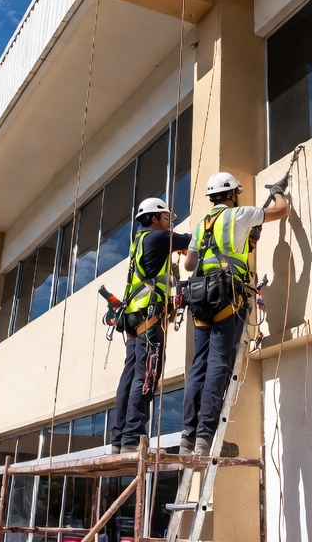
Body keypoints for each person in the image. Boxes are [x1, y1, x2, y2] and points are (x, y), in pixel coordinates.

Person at [181, 172, 289, 455]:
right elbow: (281, 210)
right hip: (227, 296)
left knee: (199, 366)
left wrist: (244, 241)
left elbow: (190, 265)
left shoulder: (201, 225)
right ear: (231, 195)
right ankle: (206, 438)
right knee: (219, 363)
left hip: (201, 298)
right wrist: (277, 191)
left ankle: (188, 437)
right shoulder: (240, 214)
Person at [108, 197, 192, 454]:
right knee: (146, 375)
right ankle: (133, 438)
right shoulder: (157, 238)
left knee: (130, 376)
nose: (168, 225)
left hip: (135, 318)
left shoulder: (139, 243)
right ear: (154, 218)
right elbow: (191, 239)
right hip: (149, 319)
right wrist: (179, 244)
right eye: (166, 218)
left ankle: (119, 439)